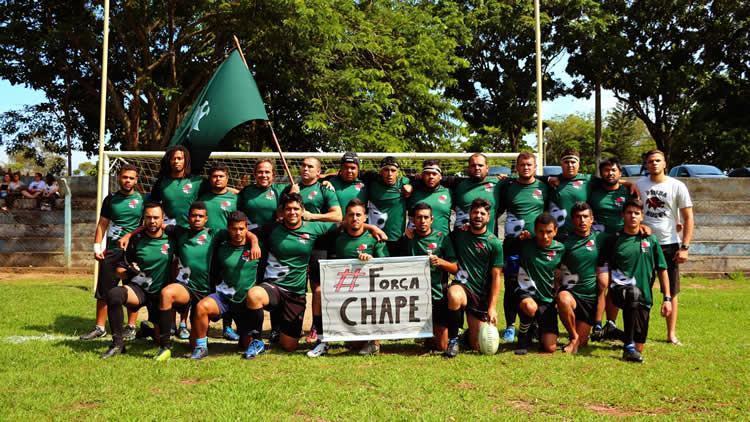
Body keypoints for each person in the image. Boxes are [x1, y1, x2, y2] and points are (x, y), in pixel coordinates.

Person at [244, 193, 339, 358]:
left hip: (296, 293)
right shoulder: (272, 228)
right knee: (254, 295)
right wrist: (253, 241)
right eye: (288, 209)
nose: (292, 212)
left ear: (303, 210)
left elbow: (343, 224)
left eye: (296, 208)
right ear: (282, 212)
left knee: (289, 346)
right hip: (273, 287)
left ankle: (282, 330)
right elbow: (245, 230)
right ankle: (257, 340)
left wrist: (371, 228)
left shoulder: (314, 227)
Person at [307, 199, 389, 358]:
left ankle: (374, 341)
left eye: (359, 215)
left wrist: (371, 260)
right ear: (345, 218)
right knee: (317, 292)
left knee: (357, 342)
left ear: (365, 217)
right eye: (351, 215)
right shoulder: (337, 238)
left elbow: (385, 264)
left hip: (369, 288)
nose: (355, 218)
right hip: (345, 289)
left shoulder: (374, 238)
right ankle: (321, 339)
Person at [100, 202, 174, 359]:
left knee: (159, 339)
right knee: (114, 294)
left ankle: (149, 330)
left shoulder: (173, 238)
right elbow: (119, 270)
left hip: (162, 294)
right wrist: (129, 271)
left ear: (163, 219)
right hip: (139, 290)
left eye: (156, 218)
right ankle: (118, 344)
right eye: (148, 218)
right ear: (143, 219)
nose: (152, 221)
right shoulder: (135, 239)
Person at [603, 198, 672, 362]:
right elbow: (605, 268)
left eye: (636, 213)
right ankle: (627, 348)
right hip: (620, 292)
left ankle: (616, 334)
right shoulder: (614, 240)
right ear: (622, 215)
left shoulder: (651, 240)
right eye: (629, 213)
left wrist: (667, 298)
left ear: (642, 216)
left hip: (644, 296)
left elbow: (662, 269)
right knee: (632, 293)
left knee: (639, 345)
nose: (632, 216)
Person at [80, 164, 143, 341]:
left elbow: (145, 225)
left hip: (133, 253)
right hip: (112, 251)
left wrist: (131, 236)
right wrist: (97, 246)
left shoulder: (142, 200)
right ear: (119, 178)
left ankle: (131, 327)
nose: (128, 181)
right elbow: (102, 224)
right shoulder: (110, 199)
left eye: (131, 178)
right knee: (104, 290)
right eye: (125, 177)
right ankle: (100, 327)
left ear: (136, 179)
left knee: (133, 289)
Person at [636, 149, 692, 345]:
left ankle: (671, 334)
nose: (654, 164)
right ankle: (638, 332)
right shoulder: (639, 184)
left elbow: (688, 217)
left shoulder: (677, 186)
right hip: (644, 243)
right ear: (646, 164)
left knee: (672, 291)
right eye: (650, 161)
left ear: (665, 163)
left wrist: (684, 246)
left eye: (657, 160)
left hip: (669, 244)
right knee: (642, 289)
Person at [284, 156, 342, 344]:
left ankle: (316, 326)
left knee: (317, 288)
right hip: (294, 245)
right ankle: (287, 326)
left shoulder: (324, 188)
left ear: (318, 172)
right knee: (292, 286)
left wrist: (311, 216)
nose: (305, 169)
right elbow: (279, 214)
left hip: (319, 245)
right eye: (303, 165)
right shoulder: (292, 188)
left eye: (310, 166)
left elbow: (337, 216)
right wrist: (291, 195)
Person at [190, 211, 261, 360]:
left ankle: (248, 337)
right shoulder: (221, 247)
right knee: (201, 307)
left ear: (247, 228)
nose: (238, 232)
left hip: (244, 303)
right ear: (228, 229)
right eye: (234, 229)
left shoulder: (256, 247)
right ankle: (201, 347)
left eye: (241, 229)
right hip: (224, 298)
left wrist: (254, 242)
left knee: (245, 344)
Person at [495, 152, 550, 343]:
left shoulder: (544, 186)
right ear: (516, 167)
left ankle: (532, 324)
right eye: (522, 165)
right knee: (511, 284)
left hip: (536, 245)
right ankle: (510, 326)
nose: (526, 168)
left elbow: (549, 216)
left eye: (529, 165)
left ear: (535, 167)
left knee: (534, 284)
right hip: (513, 244)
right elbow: (496, 210)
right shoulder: (507, 186)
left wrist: (538, 235)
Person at [443, 198, 504, 358]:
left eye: (482, 213)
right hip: (462, 286)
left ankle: (467, 334)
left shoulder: (494, 243)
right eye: (475, 212)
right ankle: (453, 340)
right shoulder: (459, 234)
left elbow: (497, 277)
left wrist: (492, 307)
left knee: (478, 346)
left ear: (488, 218)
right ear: (469, 215)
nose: (478, 216)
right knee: (454, 295)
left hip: (481, 295)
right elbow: (439, 236)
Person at [398, 202, 457, 352]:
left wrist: (440, 262)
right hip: (412, 296)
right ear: (413, 220)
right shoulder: (406, 238)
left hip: (436, 294)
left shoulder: (442, 237)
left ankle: (439, 335)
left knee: (442, 346)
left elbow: (455, 268)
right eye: (418, 218)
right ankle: (424, 334)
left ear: (432, 219)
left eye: (425, 217)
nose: (422, 221)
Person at [556, 202, 610, 354]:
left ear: (592, 219)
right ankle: (573, 337)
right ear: (572, 220)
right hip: (571, 294)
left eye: (586, 217)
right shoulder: (564, 242)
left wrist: (644, 228)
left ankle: (579, 338)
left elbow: (624, 235)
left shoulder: (601, 238)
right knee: (562, 299)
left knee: (584, 342)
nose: (582, 220)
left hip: (589, 299)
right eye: (578, 217)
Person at [513, 213, 565, 355]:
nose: (545, 236)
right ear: (535, 231)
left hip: (547, 300)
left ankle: (536, 328)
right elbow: (505, 246)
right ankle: (523, 336)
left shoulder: (561, 250)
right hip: (526, 294)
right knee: (530, 307)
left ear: (555, 231)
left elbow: (565, 272)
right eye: (541, 232)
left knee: (550, 348)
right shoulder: (525, 244)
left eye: (549, 232)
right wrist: (519, 237)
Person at [150, 146, 208, 228]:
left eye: (179, 158)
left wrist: (231, 190)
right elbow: (153, 205)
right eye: (173, 158)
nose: (176, 161)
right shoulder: (161, 182)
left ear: (186, 160)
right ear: (169, 161)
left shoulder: (197, 181)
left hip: (190, 229)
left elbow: (216, 190)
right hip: (168, 229)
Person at [365, 156, 412, 256]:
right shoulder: (371, 182)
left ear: (398, 172)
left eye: (393, 170)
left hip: (397, 239)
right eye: (386, 170)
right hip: (375, 237)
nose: (390, 174)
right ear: (380, 172)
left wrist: (411, 187)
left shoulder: (403, 183)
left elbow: (418, 180)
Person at [447, 153, 499, 233]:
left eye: (480, 165)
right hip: (462, 240)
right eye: (473, 165)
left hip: (488, 240)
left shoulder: (498, 183)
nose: (477, 168)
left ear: (487, 168)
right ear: (468, 168)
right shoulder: (457, 184)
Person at [589, 158, 636, 234]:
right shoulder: (592, 191)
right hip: (598, 238)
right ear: (601, 174)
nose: (610, 173)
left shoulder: (629, 192)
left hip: (622, 237)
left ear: (620, 173)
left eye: (613, 170)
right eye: (606, 170)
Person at [237, 159, 286, 231]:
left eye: (267, 172)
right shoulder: (246, 191)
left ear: (273, 174)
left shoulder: (281, 189)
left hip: (274, 232)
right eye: (260, 172)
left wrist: (294, 191)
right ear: (255, 174)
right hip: (251, 232)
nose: (263, 175)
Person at [407, 160, 452, 235]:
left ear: (440, 176)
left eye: (434, 174)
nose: (431, 176)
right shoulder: (412, 192)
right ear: (422, 175)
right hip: (417, 242)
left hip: (443, 242)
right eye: (427, 173)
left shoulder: (449, 193)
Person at [198, 165, 238, 231]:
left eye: (221, 176)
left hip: (226, 239)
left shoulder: (236, 199)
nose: (218, 179)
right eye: (214, 176)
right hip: (206, 239)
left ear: (227, 178)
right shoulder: (202, 199)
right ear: (210, 179)